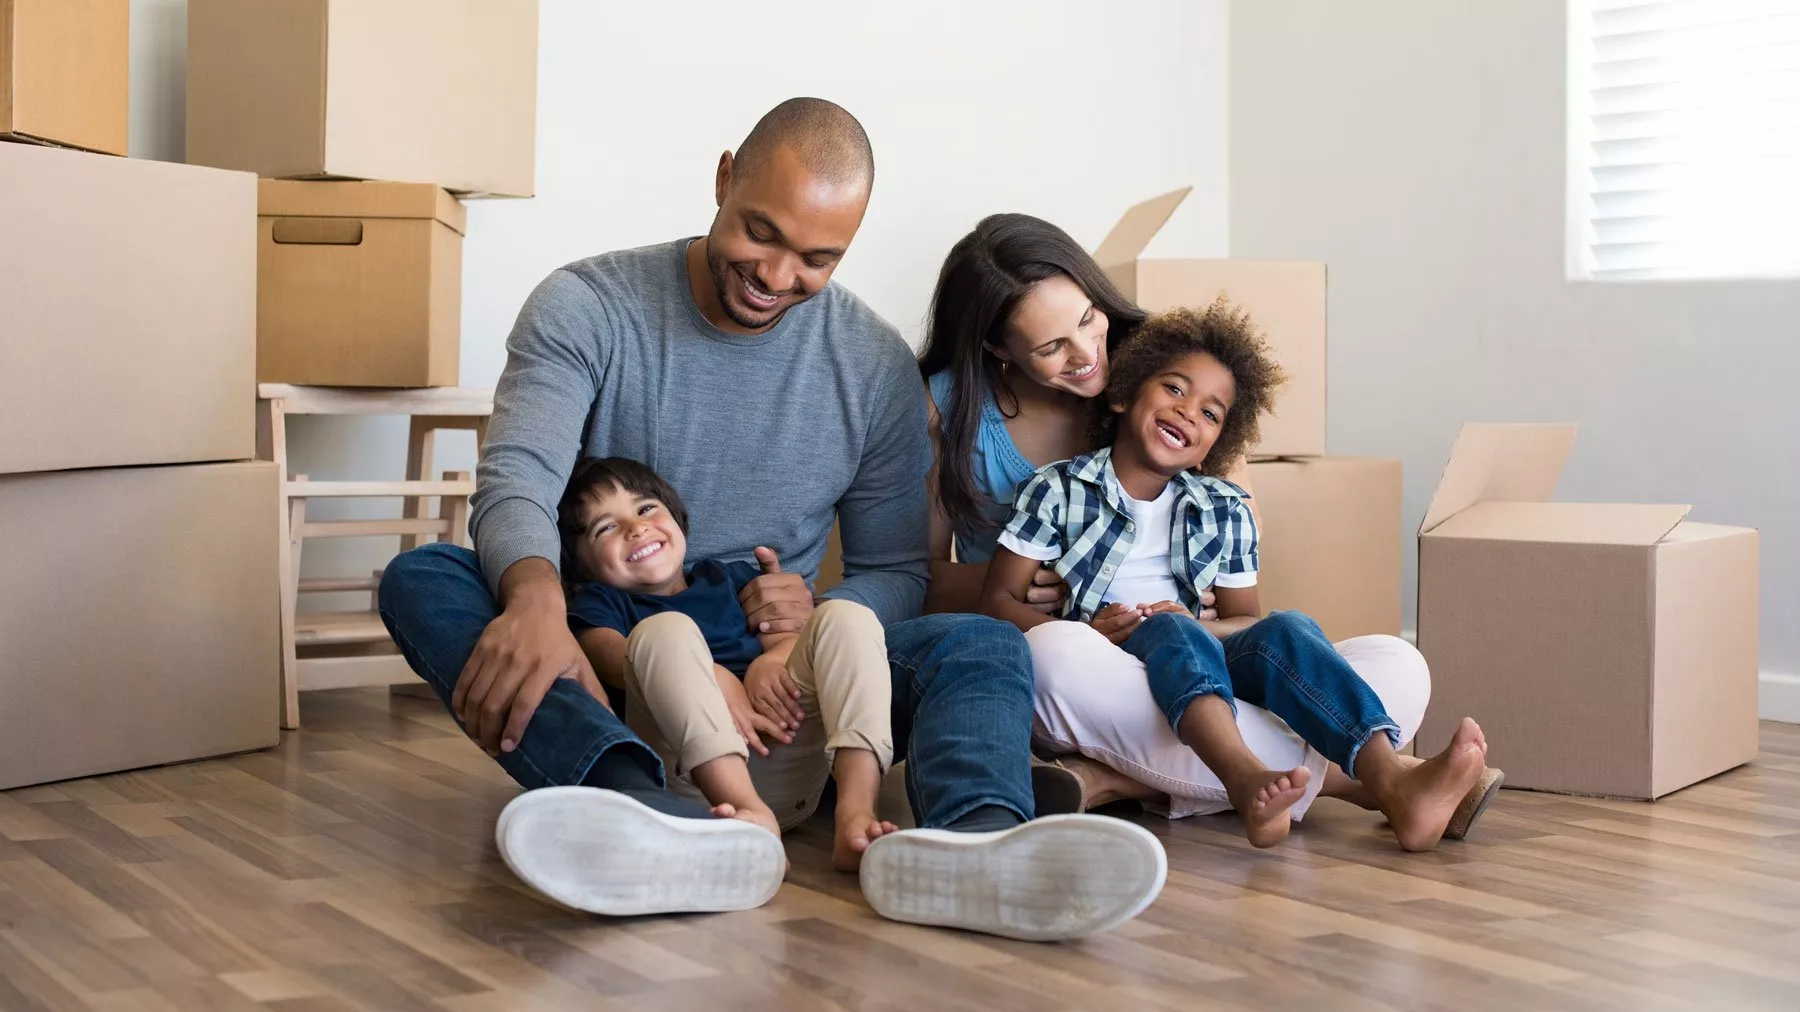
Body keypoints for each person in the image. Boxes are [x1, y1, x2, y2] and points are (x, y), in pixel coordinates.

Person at [378, 98, 1166, 941]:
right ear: (724, 179)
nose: (778, 275)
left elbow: (897, 567)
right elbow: (519, 479)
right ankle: (633, 805)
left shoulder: (870, 365)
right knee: (426, 578)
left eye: (817, 258)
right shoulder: (586, 306)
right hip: (613, 654)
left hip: (789, 690)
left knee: (981, 642)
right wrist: (536, 600)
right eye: (762, 233)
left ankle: (974, 843)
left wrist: (808, 626)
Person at [918, 213, 1504, 839]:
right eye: (1051, 346)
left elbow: (1242, 606)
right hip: (1078, 660)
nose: (1090, 355)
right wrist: (1051, 593)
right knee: (1060, 655)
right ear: (998, 348)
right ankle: (1365, 783)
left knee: (1398, 664)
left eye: (1088, 318)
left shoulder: (1175, 372)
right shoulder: (980, 431)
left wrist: (1200, 623)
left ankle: (1112, 779)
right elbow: (921, 580)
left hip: (1200, 652)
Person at [556, 455, 897, 869]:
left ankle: (856, 815)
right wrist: (711, 675)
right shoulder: (601, 603)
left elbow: (789, 638)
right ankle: (748, 814)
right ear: (580, 566)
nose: (636, 527)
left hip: (787, 752)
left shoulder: (729, 577)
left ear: (678, 520)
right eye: (606, 527)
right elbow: (608, 658)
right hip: (696, 781)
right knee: (665, 630)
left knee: (847, 616)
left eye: (645, 508)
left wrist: (770, 660)